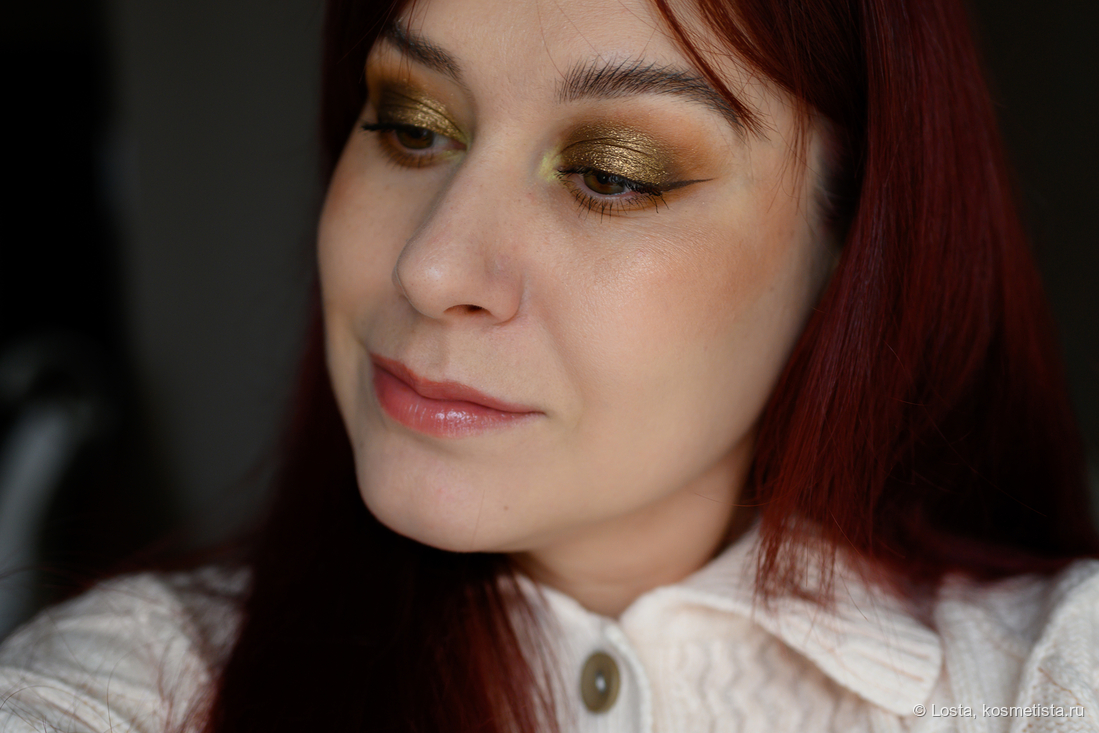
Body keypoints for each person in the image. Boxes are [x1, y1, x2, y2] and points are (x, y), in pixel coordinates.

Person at [1, 0, 1097, 730]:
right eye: (411, 125)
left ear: (852, 250)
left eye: (612, 174)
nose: (430, 267)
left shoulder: (1047, 679)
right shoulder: (147, 680)